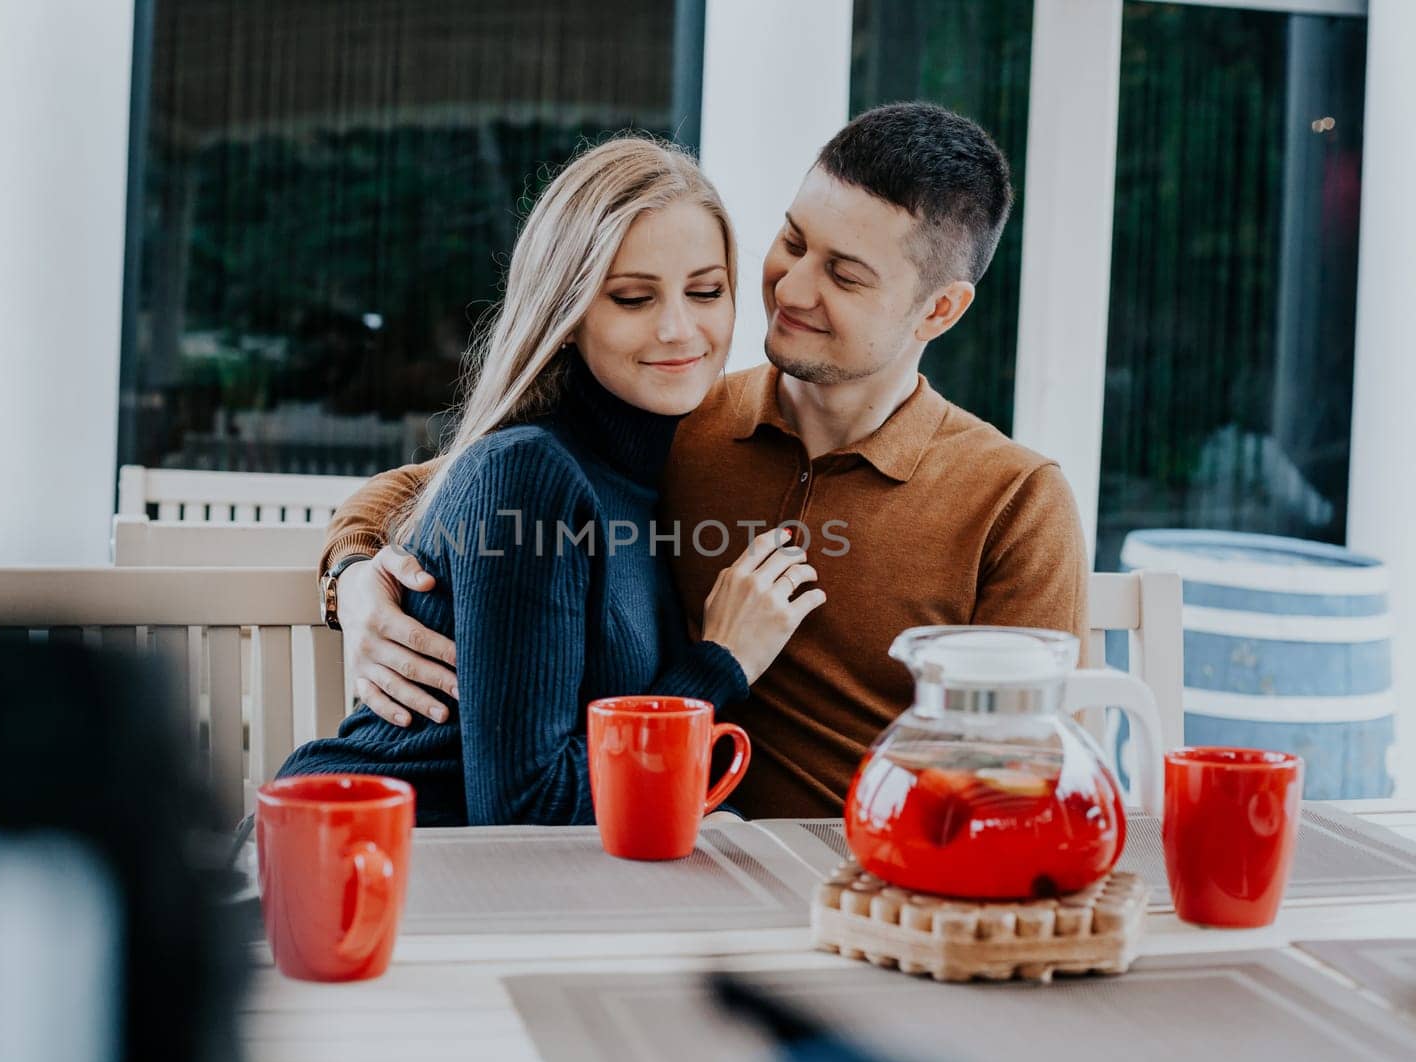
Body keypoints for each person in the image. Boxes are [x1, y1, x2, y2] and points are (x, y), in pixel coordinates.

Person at [320, 103, 1090, 818]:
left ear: (940, 309)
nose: (791, 286)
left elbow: (1023, 779)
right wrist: (353, 581)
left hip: (860, 880)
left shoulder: (1014, 499)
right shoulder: (676, 416)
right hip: (662, 864)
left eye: (845, 274)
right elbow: (446, 484)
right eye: (792, 240)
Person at [280, 137, 826, 826]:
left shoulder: (672, 455)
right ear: (566, 317)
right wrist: (719, 664)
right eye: (631, 298)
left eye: (706, 291)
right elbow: (523, 812)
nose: (678, 328)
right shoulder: (528, 473)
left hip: (503, 890)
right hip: (359, 861)